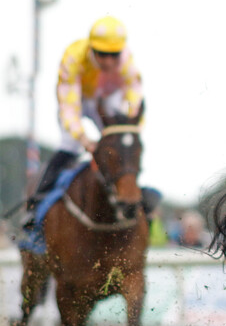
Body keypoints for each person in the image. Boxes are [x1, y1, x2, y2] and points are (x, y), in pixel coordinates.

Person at [23, 16, 144, 223]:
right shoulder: (73, 57)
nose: (108, 61)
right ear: (91, 48)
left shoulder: (126, 59)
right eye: (102, 54)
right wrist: (84, 139)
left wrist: (131, 120)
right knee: (70, 145)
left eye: (114, 55)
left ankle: (135, 195)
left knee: (123, 144)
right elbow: (69, 108)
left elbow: (134, 90)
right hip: (76, 99)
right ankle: (37, 200)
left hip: (104, 98)